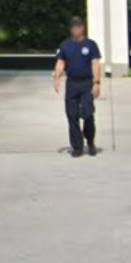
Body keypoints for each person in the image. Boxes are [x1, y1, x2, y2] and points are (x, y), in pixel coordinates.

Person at [52, 16, 102, 157]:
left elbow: (95, 64)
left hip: (87, 83)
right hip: (72, 83)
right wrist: (57, 77)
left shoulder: (91, 45)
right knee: (71, 115)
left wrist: (97, 83)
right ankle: (77, 147)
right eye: (74, 26)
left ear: (83, 28)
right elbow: (61, 62)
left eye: (78, 26)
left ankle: (90, 141)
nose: (76, 29)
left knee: (87, 113)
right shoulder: (65, 45)